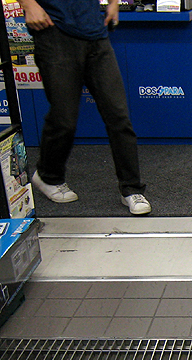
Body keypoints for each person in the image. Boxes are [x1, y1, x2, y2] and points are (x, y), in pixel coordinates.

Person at [17, 0, 151, 215]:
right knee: (64, 119)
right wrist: (29, 4)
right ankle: (48, 176)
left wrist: (114, 3)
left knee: (118, 116)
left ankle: (131, 189)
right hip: (54, 32)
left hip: (96, 34)